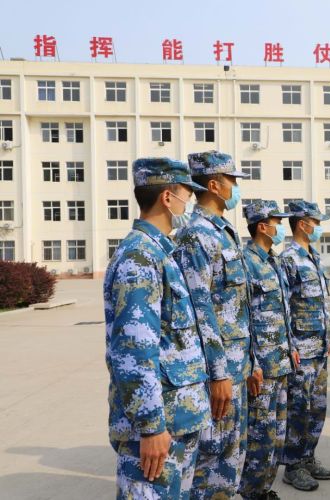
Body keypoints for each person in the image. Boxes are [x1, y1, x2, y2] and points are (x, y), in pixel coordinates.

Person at [103, 157, 211, 498]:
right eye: (186, 195)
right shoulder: (139, 257)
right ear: (167, 197)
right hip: (156, 431)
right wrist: (151, 427)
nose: (190, 203)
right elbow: (133, 350)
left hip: (179, 421)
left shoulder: (162, 253)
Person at [173, 150, 253, 498]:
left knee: (230, 456)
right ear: (213, 184)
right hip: (217, 372)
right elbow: (200, 308)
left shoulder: (223, 231)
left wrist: (249, 363)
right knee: (210, 462)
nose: (236, 188)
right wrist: (218, 373)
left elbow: (235, 306)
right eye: (232, 181)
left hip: (237, 365)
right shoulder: (198, 235)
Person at [239, 200, 299, 500]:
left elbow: (282, 311)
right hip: (262, 366)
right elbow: (241, 317)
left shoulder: (273, 261)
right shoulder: (246, 262)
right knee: (260, 435)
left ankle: (263, 488)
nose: (280, 228)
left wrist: (291, 347)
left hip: (281, 362)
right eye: (276, 222)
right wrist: (251, 365)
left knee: (276, 433)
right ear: (262, 226)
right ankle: (251, 491)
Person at [279, 201, 330, 492]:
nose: (319, 226)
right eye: (316, 221)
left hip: (319, 348)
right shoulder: (288, 259)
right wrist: (290, 346)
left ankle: (308, 456)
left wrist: (328, 338)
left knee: (318, 408)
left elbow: (320, 304)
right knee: (299, 408)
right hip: (301, 348)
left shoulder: (313, 257)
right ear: (303, 224)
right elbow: (284, 305)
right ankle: (293, 465)